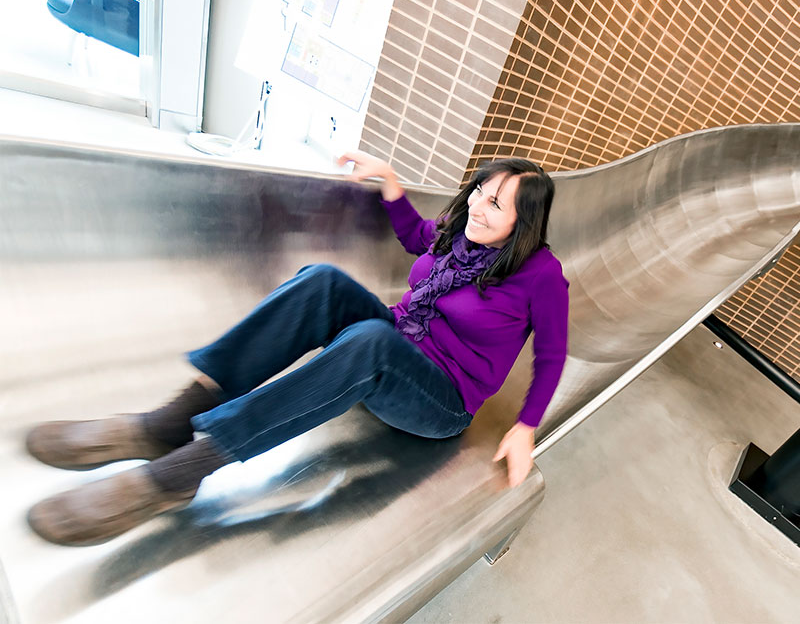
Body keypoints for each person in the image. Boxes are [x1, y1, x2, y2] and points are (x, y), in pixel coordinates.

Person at [25, 151, 570, 546]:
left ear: (523, 223)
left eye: (495, 203)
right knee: (323, 283)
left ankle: (183, 471)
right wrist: (391, 186)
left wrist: (526, 427)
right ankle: (168, 423)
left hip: (438, 400)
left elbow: (552, 353)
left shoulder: (541, 276)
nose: (477, 205)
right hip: (389, 345)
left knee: (371, 342)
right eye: (478, 190)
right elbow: (419, 238)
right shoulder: (462, 231)